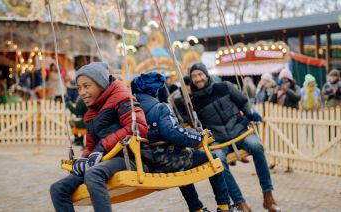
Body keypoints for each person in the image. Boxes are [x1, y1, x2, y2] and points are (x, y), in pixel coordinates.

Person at [50, 62, 148, 212]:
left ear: (101, 84)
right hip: (105, 161)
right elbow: (90, 144)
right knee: (57, 189)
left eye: (87, 86)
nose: (82, 92)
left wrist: (102, 147)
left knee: (92, 174)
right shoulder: (91, 112)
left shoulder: (121, 96)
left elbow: (138, 128)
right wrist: (84, 158)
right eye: (79, 88)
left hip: (130, 158)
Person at [131, 72, 231, 212]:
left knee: (183, 160)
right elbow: (173, 133)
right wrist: (200, 138)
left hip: (145, 161)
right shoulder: (160, 107)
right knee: (212, 158)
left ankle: (197, 208)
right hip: (164, 159)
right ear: (153, 90)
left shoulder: (131, 110)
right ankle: (224, 206)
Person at [189, 62, 280, 212]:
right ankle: (240, 202)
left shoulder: (224, 87)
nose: (198, 79)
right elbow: (197, 124)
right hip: (218, 139)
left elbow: (243, 102)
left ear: (206, 74)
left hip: (239, 130)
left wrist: (250, 114)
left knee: (257, 146)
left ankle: (268, 195)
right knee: (217, 160)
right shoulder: (194, 102)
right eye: (194, 76)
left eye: (200, 74)